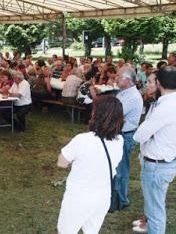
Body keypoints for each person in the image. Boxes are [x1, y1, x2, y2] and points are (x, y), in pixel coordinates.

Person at [57, 95, 124, 234]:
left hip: (79, 197)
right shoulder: (120, 140)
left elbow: (61, 163)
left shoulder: (82, 140)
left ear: (96, 114)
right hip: (103, 196)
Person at [133, 66, 176, 234]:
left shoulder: (165, 107)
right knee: (155, 205)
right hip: (167, 160)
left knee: (155, 211)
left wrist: (150, 134)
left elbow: (139, 135)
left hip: (157, 165)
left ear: (159, 83)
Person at [114, 66, 144, 210]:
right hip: (119, 133)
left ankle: (122, 200)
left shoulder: (132, 96)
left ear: (127, 80)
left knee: (122, 170)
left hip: (126, 136)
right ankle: (116, 197)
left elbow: (115, 113)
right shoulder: (124, 92)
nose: (115, 78)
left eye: (118, 76)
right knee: (117, 168)